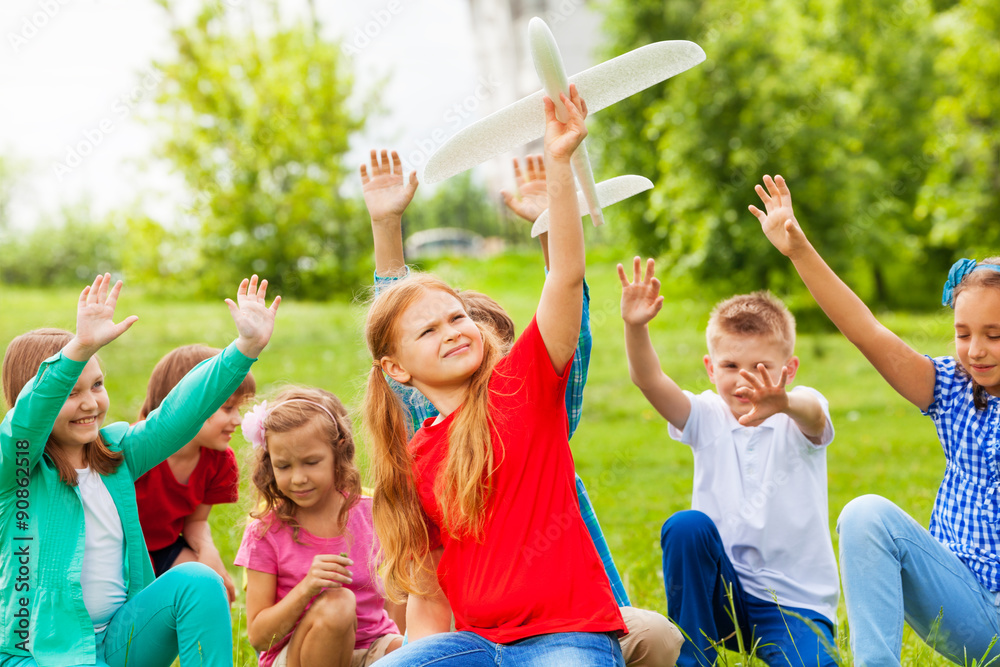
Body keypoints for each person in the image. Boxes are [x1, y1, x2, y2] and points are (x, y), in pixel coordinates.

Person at [360, 146, 681, 665]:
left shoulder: (523, 392)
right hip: (479, 643)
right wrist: (386, 226)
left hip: (565, 633)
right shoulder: (420, 450)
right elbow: (428, 599)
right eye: (432, 329)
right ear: (398, 369)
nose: (454, 332)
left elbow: (565, 285)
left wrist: (559, 165)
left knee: (655, 637)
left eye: (459, 319)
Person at [748, 173, 1000, 666]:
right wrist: (798, 249)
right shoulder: (948, 390)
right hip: (962, 606)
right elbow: (865, 330)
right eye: (963, 332)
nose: (975, 350)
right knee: (865, 513)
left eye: (995, 334)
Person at [0, 273, 278, 667]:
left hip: (120, 640)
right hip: (37, 655)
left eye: (96, 385)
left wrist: (244, 348)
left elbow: (178, 414)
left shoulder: (117, 454)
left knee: (198, 581)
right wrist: (79, 347)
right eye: (70, 392)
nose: (90, 403)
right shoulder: (15, 470)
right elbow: (28, 421)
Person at [620, 257, 839, 667]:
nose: (743, 380)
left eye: (760, 369)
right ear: (710, 367)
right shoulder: (706, 415)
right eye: (730, 366)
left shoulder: (798, 414)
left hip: (792, 605)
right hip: (721, 593)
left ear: (788, 371)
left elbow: (814, 414)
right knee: (687, 527)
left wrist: (785, 403)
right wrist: (636, 326)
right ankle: (693, 657)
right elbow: (649, 380)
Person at [235, 386, 403, 667]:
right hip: (299, 655)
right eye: (284, 466)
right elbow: (260, 637)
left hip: (371, 647)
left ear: (339, 451)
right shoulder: (264, 532)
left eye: (311, 462)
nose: (298, 478)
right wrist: (307, 588)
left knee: (435, 648)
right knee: (338, 605)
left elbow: (401, 597)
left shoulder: (372, 514)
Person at [134, 344, 256, 602]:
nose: (237, 420)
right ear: (185, 405)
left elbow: (196, 522)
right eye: (227, 408)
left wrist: (208, 553)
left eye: (239, 409)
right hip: (118, 553)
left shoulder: (219, 461)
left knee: (212, 590)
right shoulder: (136, 450)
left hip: (165, 548)